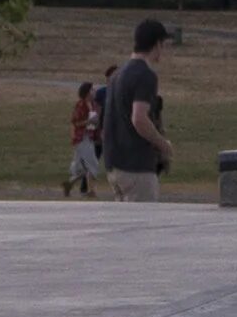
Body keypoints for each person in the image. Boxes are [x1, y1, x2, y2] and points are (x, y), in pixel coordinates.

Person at [101, 18, 175, 202]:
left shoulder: (117, 75)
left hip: (114, 165)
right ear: (157, 44)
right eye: (163, 44)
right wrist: (163, 144)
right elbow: (139, 118)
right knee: (144, 227)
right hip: (137, 167)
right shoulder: (145, 75)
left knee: (125, 227)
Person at [64, 82, 104, 198]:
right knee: (92, 163)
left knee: (81, 167)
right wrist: (88, 122)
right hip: (81, 138)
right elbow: (75, 122)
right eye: (92, 90)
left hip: (89, 137)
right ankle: (92, 191)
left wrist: (96, 130)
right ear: (87, 92)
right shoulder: (80, 105)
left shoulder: (93, 105)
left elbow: (93, 125)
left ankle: (69, 184)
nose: (94, 92)